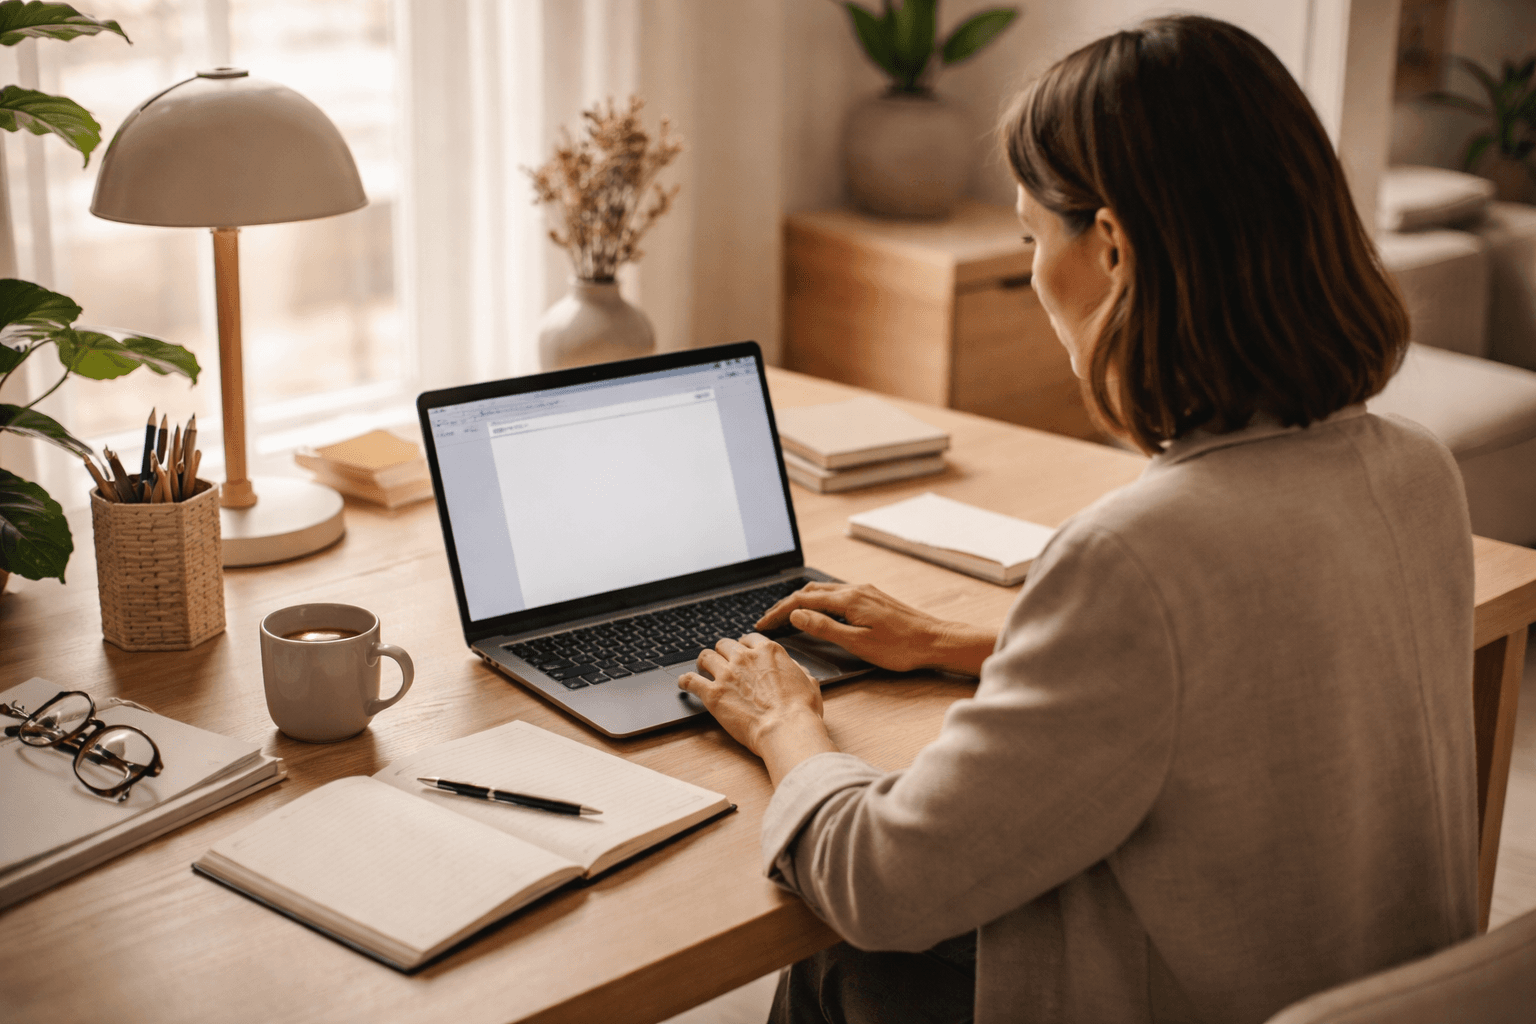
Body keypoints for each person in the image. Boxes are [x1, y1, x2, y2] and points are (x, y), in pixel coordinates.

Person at [677, 13, 1479, 1024]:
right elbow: (1237, 656)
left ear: (1109, 249)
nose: (1033, 280)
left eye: (1027, 238)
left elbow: (883, 882)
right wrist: (953, 638)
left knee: (844, 962)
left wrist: (785, 721)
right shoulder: (1416, 470)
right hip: (1352, 993)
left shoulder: (1136, 555)